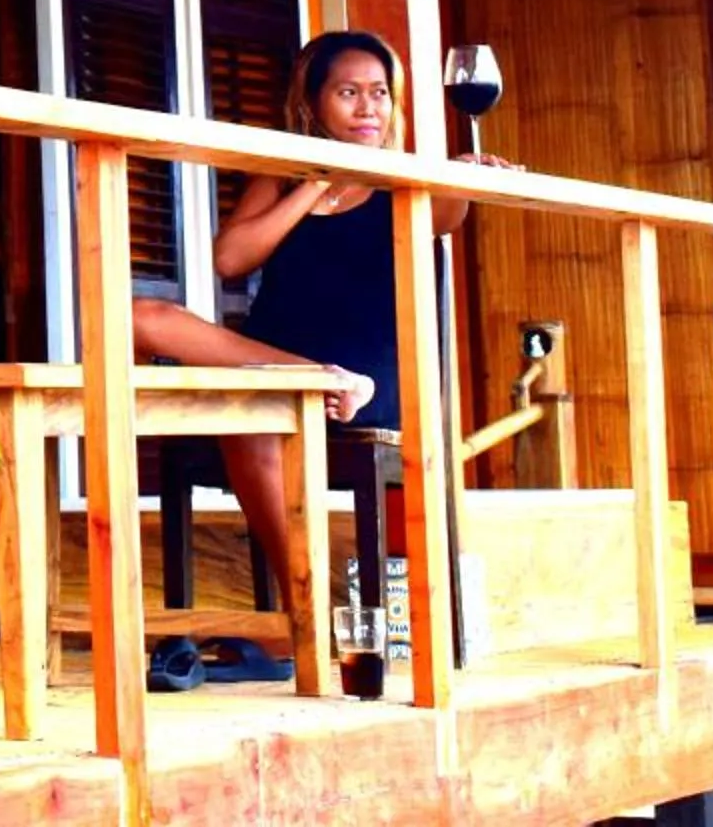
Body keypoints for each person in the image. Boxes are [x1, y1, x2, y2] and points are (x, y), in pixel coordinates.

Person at [124, 29, 515, 605]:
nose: (368, 107)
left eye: (379, 93)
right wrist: (315, 185)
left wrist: (465, 173)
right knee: (140, 317)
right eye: (348, 92)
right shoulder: (284, 178)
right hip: (276, 370)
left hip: (366, 386)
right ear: (312, 103)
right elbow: (230, 258)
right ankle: (318, 378)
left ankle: (304, 610)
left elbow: (448, 213)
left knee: (254, 417)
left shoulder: (407, 184)